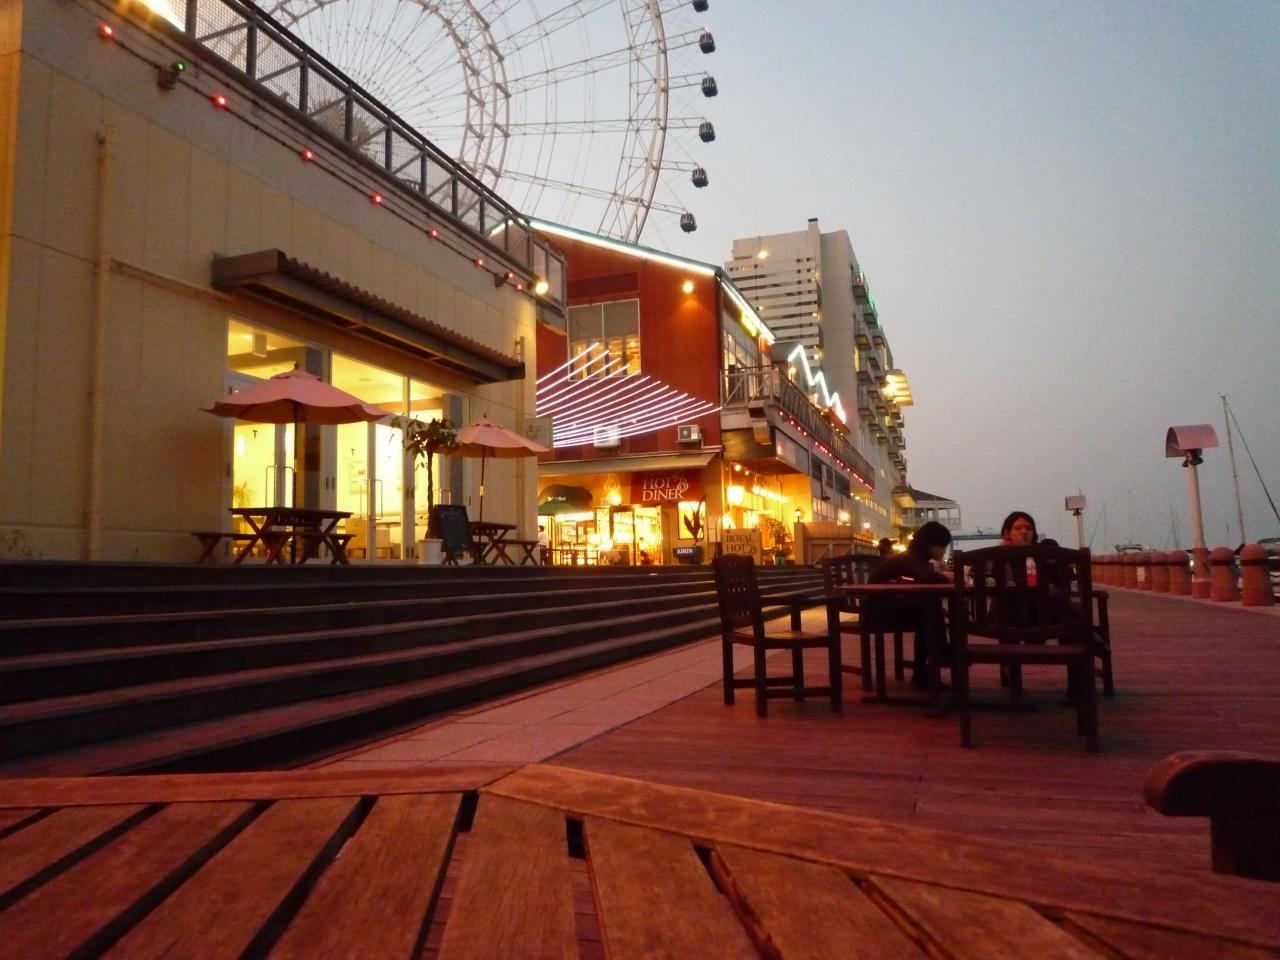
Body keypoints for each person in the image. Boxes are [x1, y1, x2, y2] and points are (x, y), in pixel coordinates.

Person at [866, 521, 953, 689]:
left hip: (881, 609)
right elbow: (926, 578)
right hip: (880, 614)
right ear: (930, 544)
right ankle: (939, 654)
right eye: (942, 546)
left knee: (929, 609)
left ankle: (928, 665)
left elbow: (926, 577)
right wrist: (948, 578)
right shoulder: (912, 559)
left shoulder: (911, 557)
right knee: (929, 610)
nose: (944, 551)